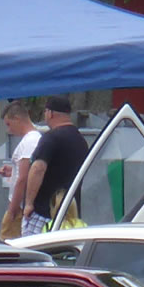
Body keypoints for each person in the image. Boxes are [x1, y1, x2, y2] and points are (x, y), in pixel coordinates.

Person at [15, 97, 88, 237]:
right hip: (69, 213)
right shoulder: (81, 141)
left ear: (50, 113)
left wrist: (29, 203)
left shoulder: (51, 138)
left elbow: (38, 168)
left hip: (43, 212)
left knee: (33, 248)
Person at [0, 102, 42, 236]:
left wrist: (12, 210)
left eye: (9, 124)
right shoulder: (32, 139)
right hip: (20, 205)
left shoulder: (30, 141)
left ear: (17, 119)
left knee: (7, 239)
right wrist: (13, 171)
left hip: (19, 206)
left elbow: (23, 178)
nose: (8, 130)